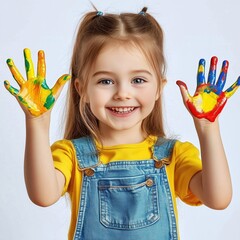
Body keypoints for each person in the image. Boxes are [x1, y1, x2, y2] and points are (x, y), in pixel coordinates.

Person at [4, 6, 240, 240]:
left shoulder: (173, 156)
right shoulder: (71, 155)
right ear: (82, 89)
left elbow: (218, 199)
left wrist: (208, 128)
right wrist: (37, 121)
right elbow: (42, 195)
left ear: (159, 88)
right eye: (106, 81)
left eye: (138, 79)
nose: (122, 93)